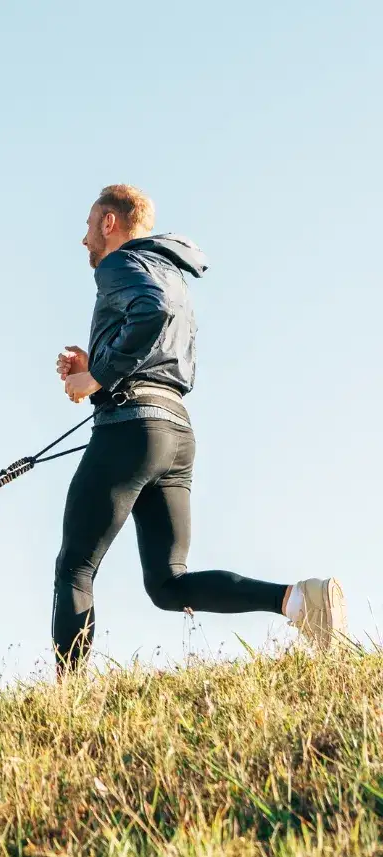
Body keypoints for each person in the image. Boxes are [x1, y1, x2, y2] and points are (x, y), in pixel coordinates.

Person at [52, 184, 347, 676]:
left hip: (132, 427)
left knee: (75, 567)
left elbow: (152, 313)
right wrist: (95, 367)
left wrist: (98, 375)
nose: (83, 240)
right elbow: (160, 346)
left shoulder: (120, 264)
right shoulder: (166, 270)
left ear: (109, 222)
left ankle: (66, 698)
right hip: (175, 433)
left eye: (88, 225)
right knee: (168, 584)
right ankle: (299, 602)